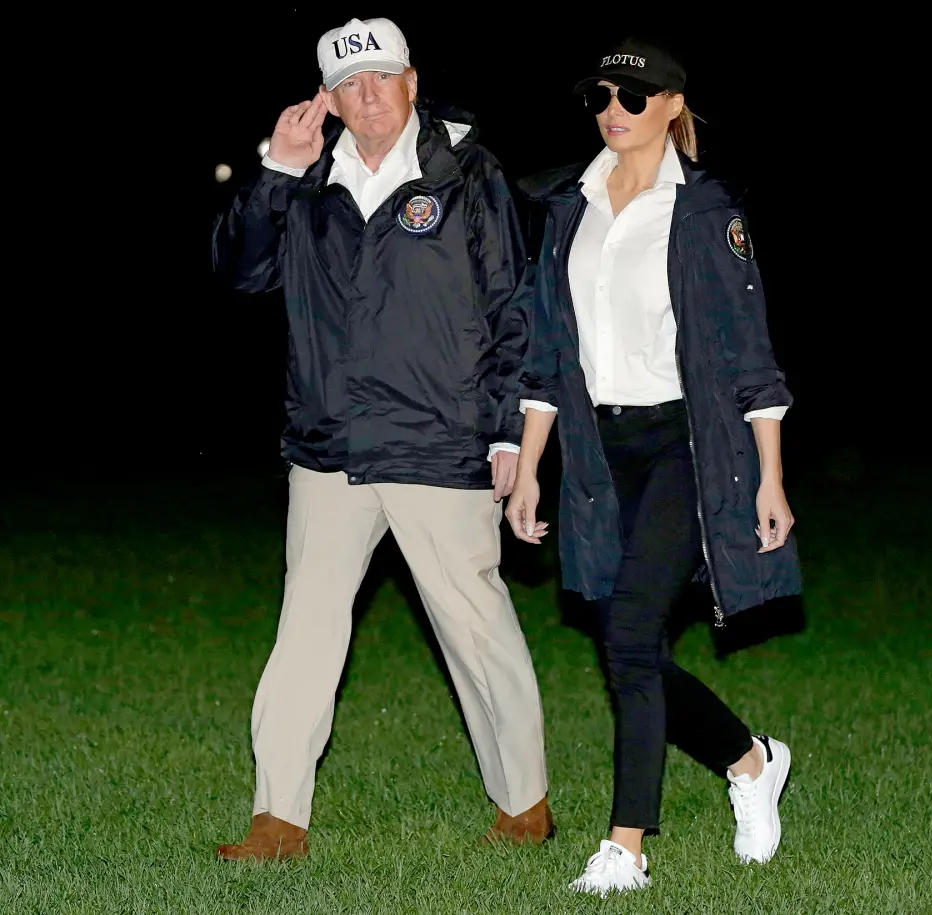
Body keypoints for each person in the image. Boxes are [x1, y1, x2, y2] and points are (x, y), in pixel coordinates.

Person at [212, 16, 552, 861]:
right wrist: (276, 172)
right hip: (328, 447)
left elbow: (515, 306)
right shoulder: (306, 179)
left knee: (477, 631)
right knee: (306, 633)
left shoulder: (467, 172)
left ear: (411, 79)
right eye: (349, 85)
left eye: (381, 79)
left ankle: (525, 804)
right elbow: (240, 271)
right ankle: (277, 817)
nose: (368, 97)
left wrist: (511, 428)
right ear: (326, 99)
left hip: (441, 444)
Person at [505, 36, 802, 896]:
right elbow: (546, 352)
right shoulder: (570, 204)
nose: (613, 111)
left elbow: (752, 357)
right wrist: (528, 468)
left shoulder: (706, 211)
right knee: (625, 642)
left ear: (673, 106)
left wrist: (770, 476)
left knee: (631, 637)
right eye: (601, 97)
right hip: (600, 452)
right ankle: (750, 759)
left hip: (686, 446)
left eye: (632, 98)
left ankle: (627, 848)